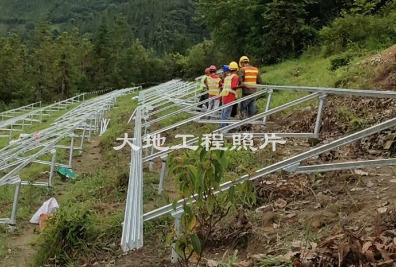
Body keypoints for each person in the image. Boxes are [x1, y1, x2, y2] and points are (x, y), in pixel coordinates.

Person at [220, 61, 240, 128]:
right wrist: (241, 86)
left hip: (224, 96)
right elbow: (233, 86)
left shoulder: (228, 77)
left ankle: (223, 126)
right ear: (236, 69)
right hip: (230, 97)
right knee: (226, 114)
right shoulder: (235, 76)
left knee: (223, 113)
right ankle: (224, 129)